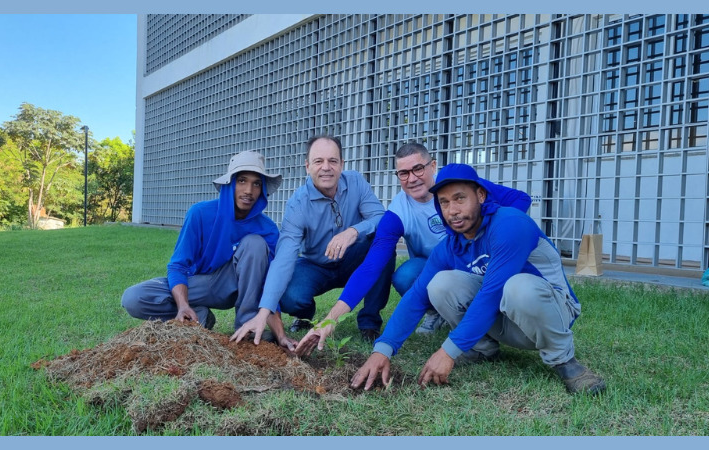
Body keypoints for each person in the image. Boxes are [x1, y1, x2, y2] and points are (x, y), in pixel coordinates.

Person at [350, 163, 606, 395]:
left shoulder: (510, 224)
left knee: (517, 286)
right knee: (439, 283)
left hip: (552, 313)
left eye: (460, 198)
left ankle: (565, 362)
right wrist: (382, 350)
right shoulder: (451, 245)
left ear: (481, 196)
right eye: (445, 202)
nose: (453, 210)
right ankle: (481, 348)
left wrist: (447, 351)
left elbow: (492, 293)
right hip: (505, 317)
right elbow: (417, 297)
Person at [296, 143, 531, 356]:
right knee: (406, 276)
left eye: (418, 168)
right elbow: (371, 266)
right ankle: (438, 313)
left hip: (476, 258)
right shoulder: (399, 211)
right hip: (433, 266)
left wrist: (483, 232)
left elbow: (521, 200)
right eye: (403, 173)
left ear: (433, 166)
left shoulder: (461, 188)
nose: (412, 178)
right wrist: (330, 320)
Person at [121, 151, 296, 349]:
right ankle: (199, 315)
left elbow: (270, 284)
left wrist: (280, 335)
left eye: (256, 184)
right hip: (199, 284)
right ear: (230, 183)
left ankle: (248, 327)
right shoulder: (200, 213)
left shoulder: (268, 229)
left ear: (263, 189)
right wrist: (183, 305)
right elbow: (178, 266)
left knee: (255, 244)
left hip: (236, 286)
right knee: (134, 298)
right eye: (242, 181)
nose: (249, 190)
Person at [231, 135, 393, 346]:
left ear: (342, 164)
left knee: (383, 246)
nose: (326, 167)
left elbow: (381, 217)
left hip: (355, 259)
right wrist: (264, 312)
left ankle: (369, 322)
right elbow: (284, 259)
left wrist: (353, 231)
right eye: (318, 161)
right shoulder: (297, 204)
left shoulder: (356, 182)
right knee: (290, 295)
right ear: (307, 166)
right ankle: (306, 314)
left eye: (332, 161)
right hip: (316, 265)